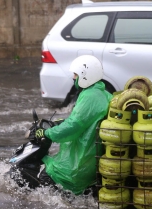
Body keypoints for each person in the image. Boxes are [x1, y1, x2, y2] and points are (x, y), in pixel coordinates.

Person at [34, 55, 112, 195]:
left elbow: (74, 125)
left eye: (75, 74)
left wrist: (47, 133)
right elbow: (84, 121)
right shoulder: (103, 93)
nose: (73, 77)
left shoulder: (90, 96)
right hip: (91, 157)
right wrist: (62, 122)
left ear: (85, 75)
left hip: (79, 163)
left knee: (48, 176)